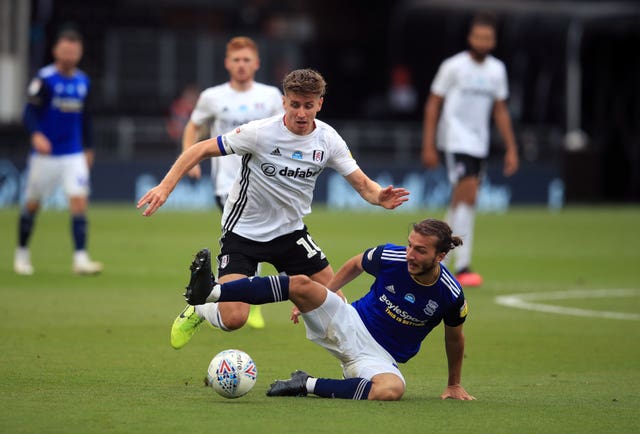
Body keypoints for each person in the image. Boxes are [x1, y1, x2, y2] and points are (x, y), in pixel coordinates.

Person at [137, 68, 410, 350]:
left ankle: (358, 369)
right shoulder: (260, 133)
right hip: (243, 233)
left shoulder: (328, 139)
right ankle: (201, 309)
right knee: (234, 318)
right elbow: (200, 149)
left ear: (319, 104)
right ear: (284, 102)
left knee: (335, 304)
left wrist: (380, 196)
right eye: (295, 105)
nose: (301, 113)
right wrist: (165, 187)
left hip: (290, 233)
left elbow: (364, 185)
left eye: (308, 106)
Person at [187, 218, 474, 401]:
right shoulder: (391, 256)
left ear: (441, 255)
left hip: (378, 358)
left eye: (420, 251)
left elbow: (455, 338)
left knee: (391, 390)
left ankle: (306, 384)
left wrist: (454, 385)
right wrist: (325, 294)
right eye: (410, 245)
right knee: (300, 284)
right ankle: (212, 291)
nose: (410, 254)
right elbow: (356, 264)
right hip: (348, 320)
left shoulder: (450, 293)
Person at [182, 37, 284, 329]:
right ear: (228, 63)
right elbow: (194, 126)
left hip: (265, 183)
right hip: (227, 184)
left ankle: (235, 298)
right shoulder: (213, 96)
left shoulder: (270, 96)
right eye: (236, 60)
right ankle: (236, 298)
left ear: (256, 63)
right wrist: (189, 159)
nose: (241, 65)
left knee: (256, 236)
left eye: (246, 60)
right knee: (246, 237)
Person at [421, 11, 518, 287]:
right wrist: (428, 144)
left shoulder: (497, 70)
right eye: (479, 37)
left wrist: (511, 148)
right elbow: (433, 104)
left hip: (479, 142)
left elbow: (500, 110)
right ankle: (462, 265)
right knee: (469, 192)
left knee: (463, 201)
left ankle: (440, 260)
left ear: (494, 40)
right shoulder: (454, 66)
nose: (483, 42)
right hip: (454, 138)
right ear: (470, 38)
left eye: (488, 38)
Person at [14, 28, 102, 276]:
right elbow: (29, 112)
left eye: (73, 51)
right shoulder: (45, 79)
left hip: (73, 153)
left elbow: (86, 119)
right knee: (32, 205)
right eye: (65, 50)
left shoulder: (83, 81)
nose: (69, 55)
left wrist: (89, 148)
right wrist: (36, 134)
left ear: (79, 52)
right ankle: (22, 254)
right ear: (56, 51)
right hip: (45, 155)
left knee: (79, 202)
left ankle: (80, 259)